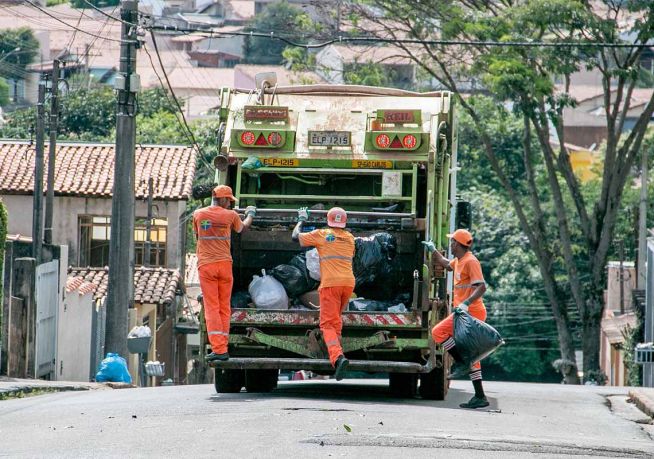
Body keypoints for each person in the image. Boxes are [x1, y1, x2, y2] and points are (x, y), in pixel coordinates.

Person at [423, 229, 489, 409]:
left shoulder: (471, 261)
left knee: (438, 331)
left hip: (471, 313)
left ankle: (461, 363)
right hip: (464, 313)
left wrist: (466, 303)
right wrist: (433, 250)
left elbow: (482, 287)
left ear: (458, 244)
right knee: (473, 356)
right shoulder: (459, 261)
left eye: (452, 242)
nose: (450, 244)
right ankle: (480, 396)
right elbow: (445, 263)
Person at [193, 185, 256, 362]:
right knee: (224, 307)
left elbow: (198, 236)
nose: (229, 203)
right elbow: (243, 229)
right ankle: (223, 345)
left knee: (212, 308)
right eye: (228, 200)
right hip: (224, 266)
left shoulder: (199, 214)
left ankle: (219, 349)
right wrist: (251, 213)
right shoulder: (231, 215)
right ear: (220, 198)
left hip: (207, 266)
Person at [292, 206, 354, 381]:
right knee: (336, 321)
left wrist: (301, 220)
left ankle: (337, 357)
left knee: (326, 324)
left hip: (330, 285)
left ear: (328, 220)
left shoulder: (322, 234)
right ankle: (337, 352)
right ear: (344, 221)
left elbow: (295, 237)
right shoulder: (350, 238)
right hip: (348, 284)